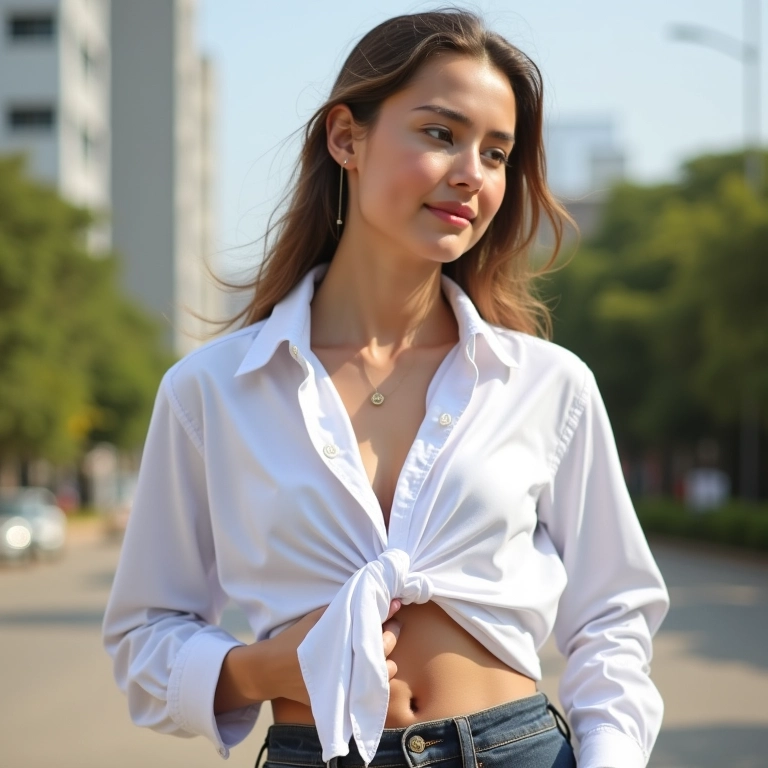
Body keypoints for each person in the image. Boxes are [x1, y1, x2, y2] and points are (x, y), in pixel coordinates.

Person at [102, 10, 669, 768]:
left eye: (496, 153)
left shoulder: (544, 383)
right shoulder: (212, 391)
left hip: (519, 750)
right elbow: (145, 634)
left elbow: (613, 614)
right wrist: (266, 668)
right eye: (441, 134)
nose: (472, 172)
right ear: (346, 138)